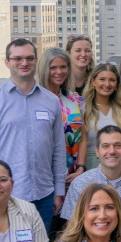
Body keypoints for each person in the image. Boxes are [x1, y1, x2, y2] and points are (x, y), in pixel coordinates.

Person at [0, 39, 66, 232]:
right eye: (17, 58)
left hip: (44, 195)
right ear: (7, 62)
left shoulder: (51, 101)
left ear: (36, 61)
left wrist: (58, 191)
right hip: (5, 195)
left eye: (29, 58)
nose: (23, 63)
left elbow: (58, 150)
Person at [63, 126, 121, 242]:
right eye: (105, 146)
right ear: (97, 151)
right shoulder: (80, 184)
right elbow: (72, 228)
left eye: (117, 145)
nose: (112, 151)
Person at [38, 48, 85, 193]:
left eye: (63, 67)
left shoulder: (75, 100)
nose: (59, 72)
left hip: (74, 176)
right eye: (53, 67)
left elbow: (83, 137)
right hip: (45, 176)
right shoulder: (35, 100)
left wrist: (81, 168)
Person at [79, 63, 121, 171]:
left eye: (112, 80)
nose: (107, 84)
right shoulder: (82, 108)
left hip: (117, 165)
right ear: (93, 81)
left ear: (117, 84)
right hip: (89, 166)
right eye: (102, 79)